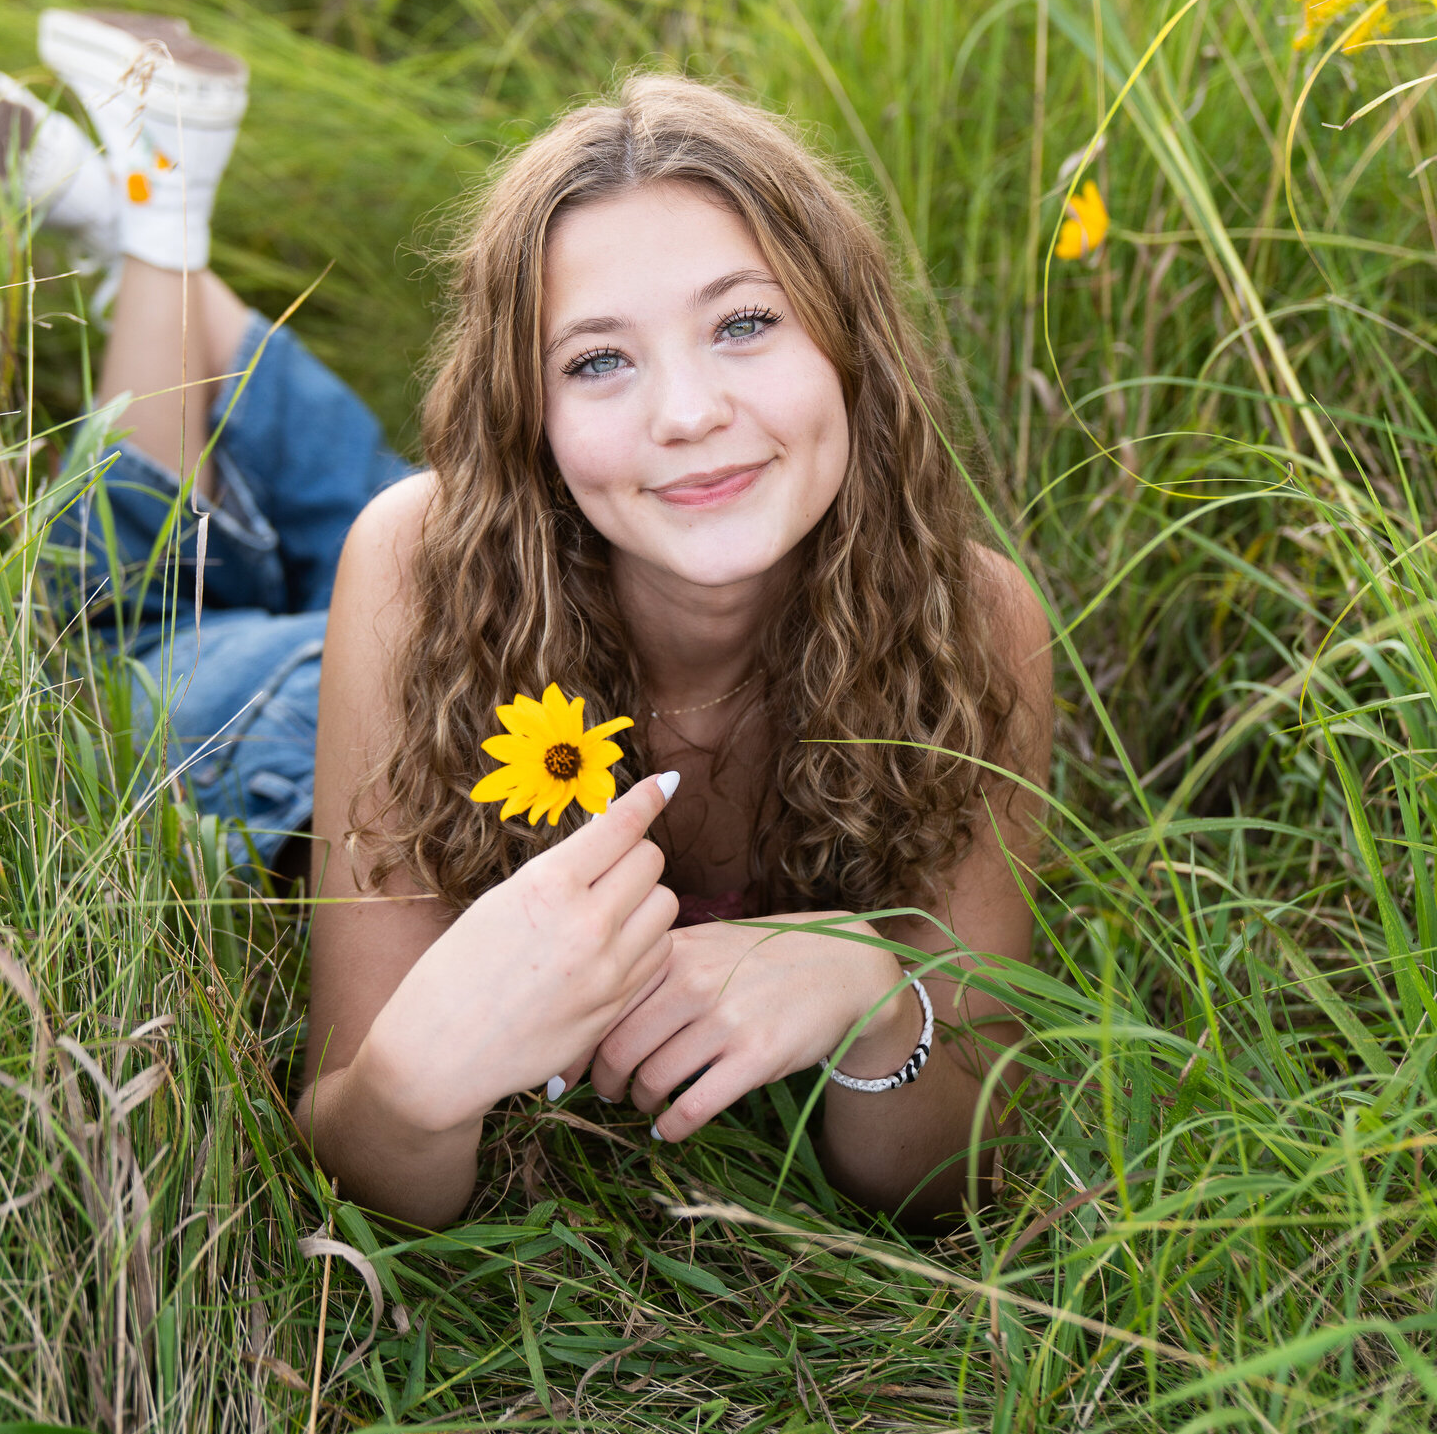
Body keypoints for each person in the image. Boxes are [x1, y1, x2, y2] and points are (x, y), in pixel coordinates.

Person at [297, 76, 1051, 1231]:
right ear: (526, 412)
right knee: (156, 580)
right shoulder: (412, 567)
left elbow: (956, 1173)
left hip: (574, 523)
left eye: (743, 323)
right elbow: (354, 1155)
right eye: (598, 359)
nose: (688, 411)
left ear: (847, 343)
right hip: (271, 712)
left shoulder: (972, 622)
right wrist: (413, 1078)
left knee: (294, 478)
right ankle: (167, 254)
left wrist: (876, 1000)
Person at [0, 9, 412, 865]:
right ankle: (161, 218)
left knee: (106, 657)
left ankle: (146, 232)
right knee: (130, 628)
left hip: (437, 664)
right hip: (445, 657)